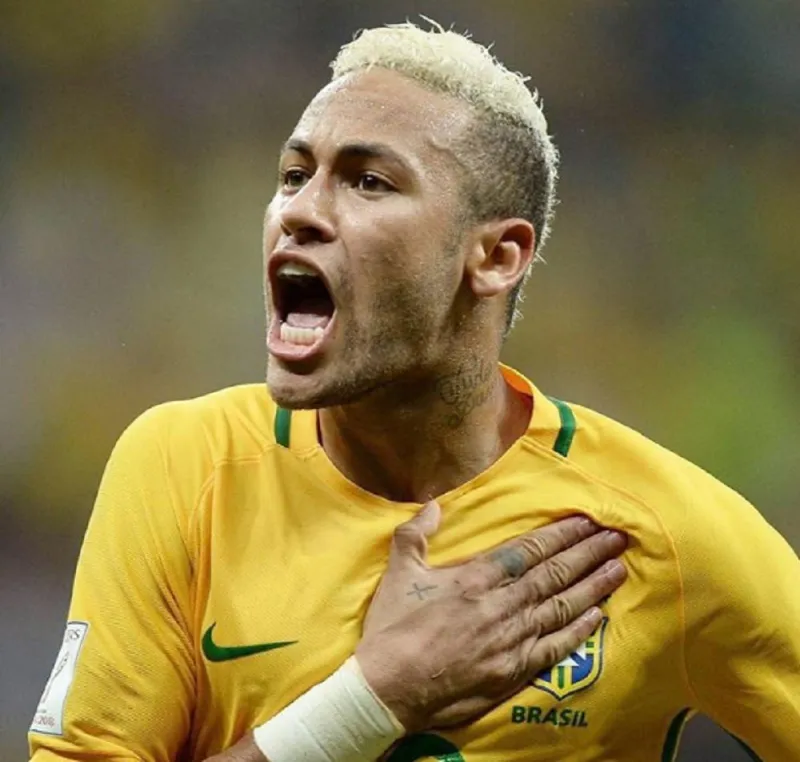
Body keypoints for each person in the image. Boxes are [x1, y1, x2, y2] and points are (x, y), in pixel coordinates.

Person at [29, 21, 798, 762]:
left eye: (369, 181)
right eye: (294, 175)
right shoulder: (185, 467)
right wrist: (369, 703)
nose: (299, 211)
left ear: (496, 257)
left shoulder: (659, 532)